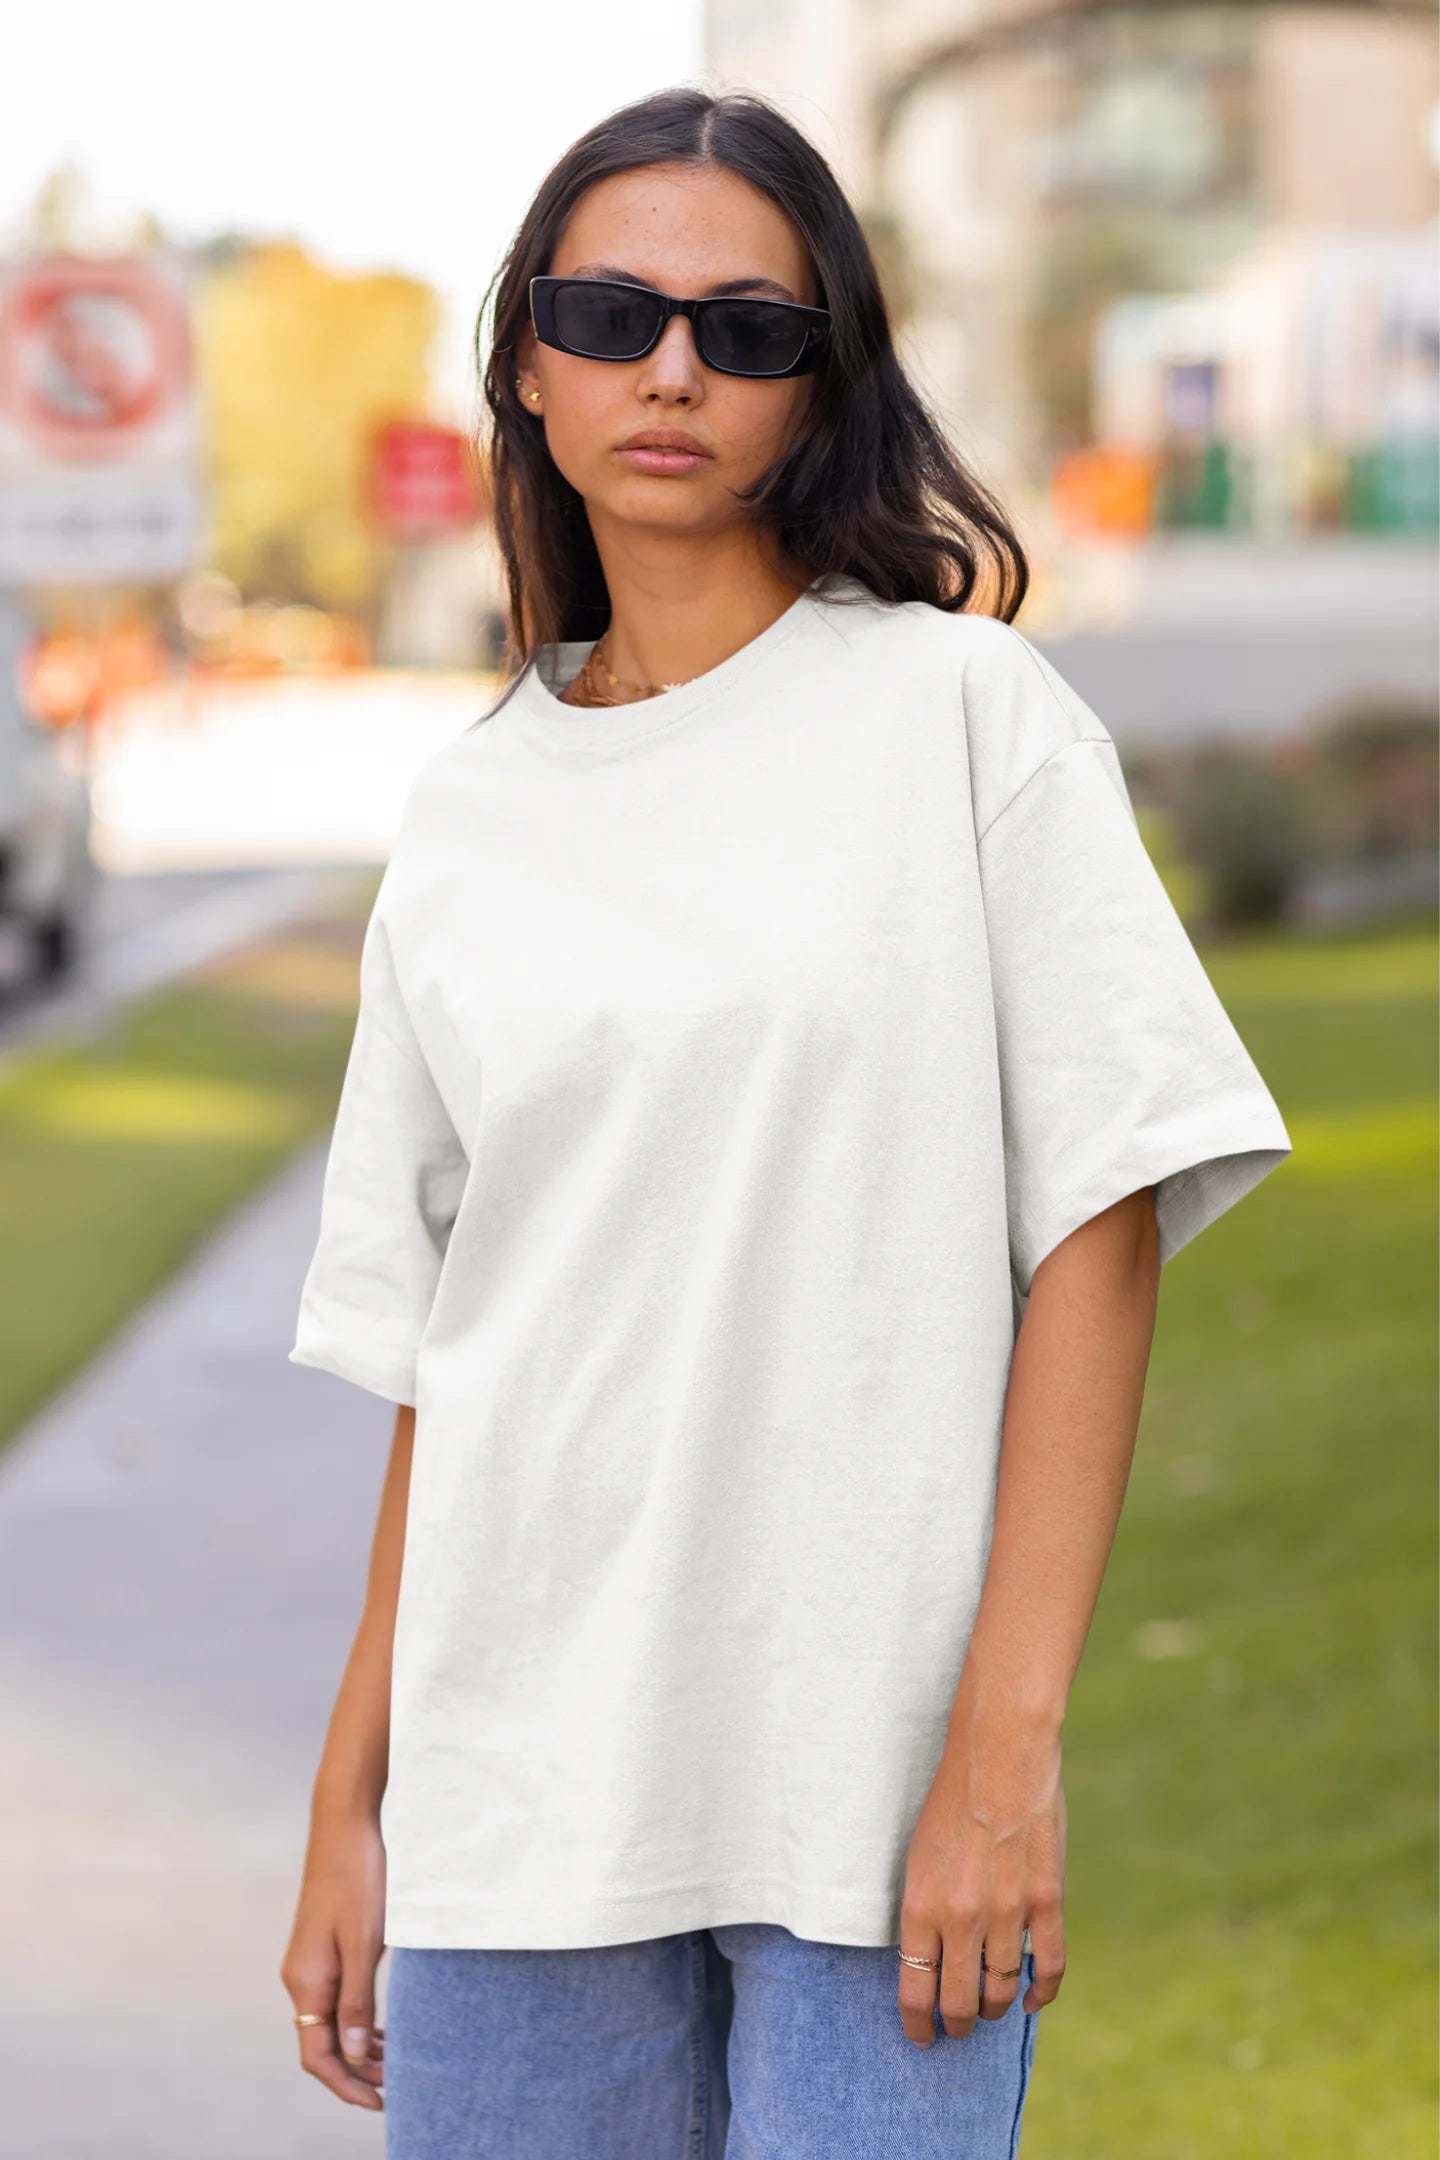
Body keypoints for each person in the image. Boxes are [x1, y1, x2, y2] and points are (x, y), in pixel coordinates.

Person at [278, 86, 1293, 2159]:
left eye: (748, 327)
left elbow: (1096, 1224)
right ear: (531, 362)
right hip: (518, 1818)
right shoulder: (470, 809)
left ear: (824, 383)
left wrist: (1006, 1750)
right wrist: (348, 1800)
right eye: (616, 310)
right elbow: (440, 1348)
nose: (674, 366)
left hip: (876, 1803)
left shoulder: (966, 718)